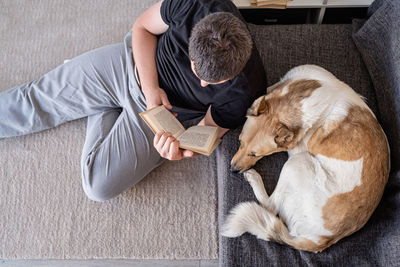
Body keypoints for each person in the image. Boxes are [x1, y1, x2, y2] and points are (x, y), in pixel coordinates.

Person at [0, 0, 267, 201]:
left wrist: (180, 151)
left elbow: (208, 131)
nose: (203, 85)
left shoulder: (248, 89)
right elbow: (142, 27)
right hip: (132, 64)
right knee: (37, 98)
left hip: (168, 118)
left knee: (97, 187)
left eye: (213, 84)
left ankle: (101, 106)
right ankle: (100, 97)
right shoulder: (192, 3)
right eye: (197, 71)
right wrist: (151, 90)